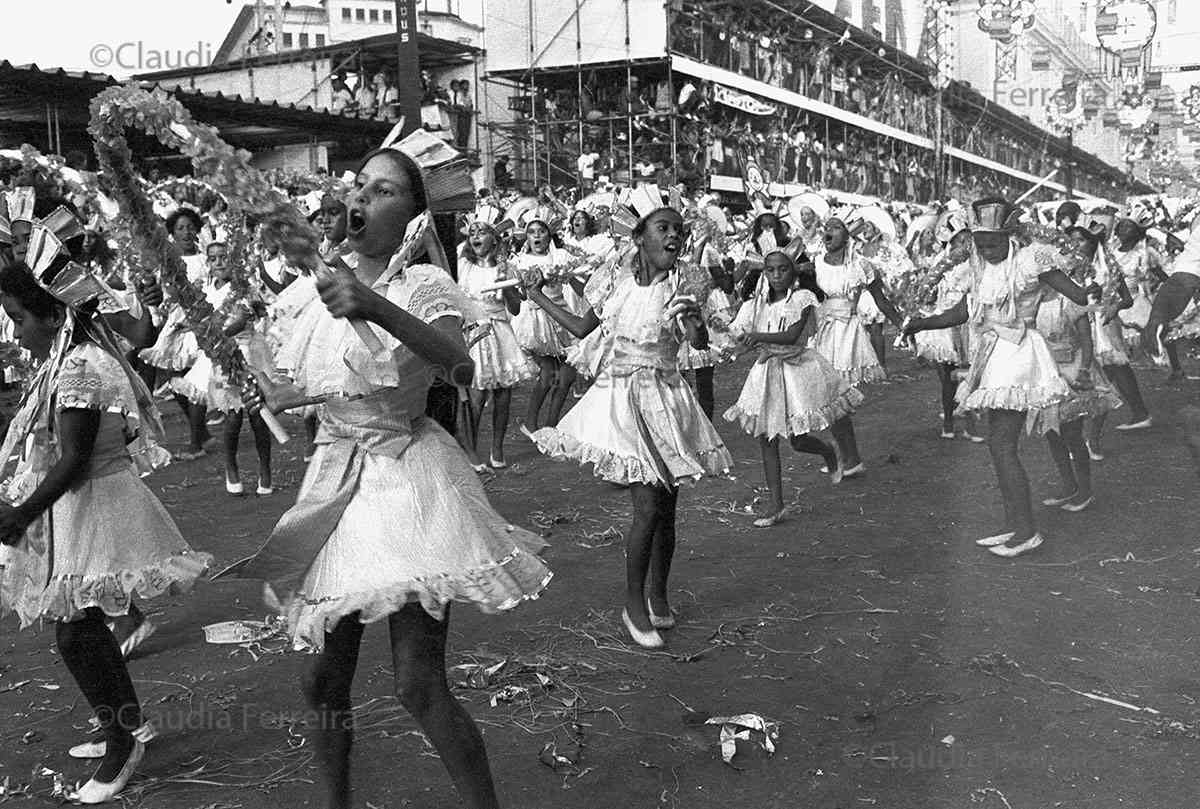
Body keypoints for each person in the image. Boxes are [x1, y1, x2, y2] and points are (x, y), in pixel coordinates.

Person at [229, 144, 552, 809]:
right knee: (320, 677)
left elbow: (460, 367)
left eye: (383, 191)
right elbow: (289, 388)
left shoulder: (425, 284)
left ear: (415, 215)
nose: (362, 200)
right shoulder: (319, 278)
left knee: (418, 683)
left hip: (407, 482)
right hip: (335, 484)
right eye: (359, 187)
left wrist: (373, 305)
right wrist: (240, 346)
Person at [0, 222, 209, 803]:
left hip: (95, 504)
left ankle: (123, 741)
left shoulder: (80, 366)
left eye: (19, 318)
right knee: (81, 628)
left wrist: (21, 512)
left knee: (75, 634)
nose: (16, 334)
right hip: (77, 506)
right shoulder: (69, 357)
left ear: (53, 315)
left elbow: (74, 458)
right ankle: (126, 724)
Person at [527, 202, 731, 648]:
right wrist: (538, 296)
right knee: (648, 508)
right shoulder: (615, 284)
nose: (674, 235)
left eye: (679, 229)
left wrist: (695, 324)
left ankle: (658, 594)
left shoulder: (686, 284)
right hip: (622, 401)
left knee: (668, 507)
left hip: (668, 399)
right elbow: (582, 329)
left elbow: (698, 341)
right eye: (663, 227)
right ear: (640, 237)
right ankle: (632, 602)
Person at [904, 198, 1096, 557]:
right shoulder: (979, 266)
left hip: (1020, 355)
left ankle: (1026, 532)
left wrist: (1097, 291)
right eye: (980, 243)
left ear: (1009, 234)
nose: (987, 250)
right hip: (993, 355)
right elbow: (964, 311)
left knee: (1003, 446)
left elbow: (1078, 293)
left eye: (993, 242)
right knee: (998, 445)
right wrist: (921, 322)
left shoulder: (1029, 260)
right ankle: (1014, 525)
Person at [724, 249, 859, 526]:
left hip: (797, 371)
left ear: (794, 271)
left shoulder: (802, 299)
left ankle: (827, 451)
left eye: (782, 269)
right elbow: (740, 338)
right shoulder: (755, 306)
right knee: (766, 436)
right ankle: (776, 505)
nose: (776, 275)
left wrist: (755, 337)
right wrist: (733, 344)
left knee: (797, 440)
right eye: (770, 270)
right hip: (766, 372)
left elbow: (791, 335)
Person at [1036, 226, 1123, 512]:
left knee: (1071, 434)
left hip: (1071, 371)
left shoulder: (1071, 299)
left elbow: (1086, 340)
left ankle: (1084, 490)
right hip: (1045, 373)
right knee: (1051, 432)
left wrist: (1085, 370)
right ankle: (1068, 485)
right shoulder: (1032, 302)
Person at [457, 215, 535, 470]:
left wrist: (511, 291)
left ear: (494, 239)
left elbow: (513, 308)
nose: (476, 236)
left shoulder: (506, 268)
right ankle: (471, 451)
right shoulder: (464, 266)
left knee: (502, 395)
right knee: (476, 395)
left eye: (482, 232)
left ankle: (497, 448)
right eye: (472, 233)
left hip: (500, 332)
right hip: (474, 331)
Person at [137, 207, 212, 460]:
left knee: (194, 380)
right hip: (174, 322)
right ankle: (200, 431)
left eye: (190, 227)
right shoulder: (165, 261)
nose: (186, 232)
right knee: (174, 381)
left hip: (200, 320)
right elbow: (156, 291)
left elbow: (211, 289)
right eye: (180, 227)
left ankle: (195, 443)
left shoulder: (204, 260)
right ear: (172, 232)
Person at [513, 218, 576, 432]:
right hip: (536, 320)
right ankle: (531, 423)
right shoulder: (520, 261)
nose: (537, 235)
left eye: (542, 231)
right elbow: (521, 296)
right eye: (532, 232)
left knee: (567, 375)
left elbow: (577, 277)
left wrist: (567, 273)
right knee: (548, 373)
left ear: (549, 235)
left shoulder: (560, 256)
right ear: (527, 237)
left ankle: (551, 423)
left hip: (561, 315)